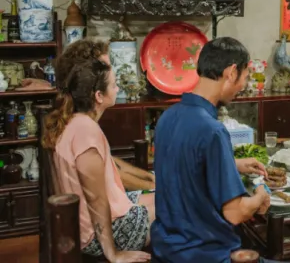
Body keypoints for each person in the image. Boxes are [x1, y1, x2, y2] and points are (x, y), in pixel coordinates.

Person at [151, 37, 275, 263]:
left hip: (167, 251)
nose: (243, 86)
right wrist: (260, 195)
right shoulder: (213, 130)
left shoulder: (167, 117)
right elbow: (235, 213)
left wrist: (232, 164)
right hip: (206, 255)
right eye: (245, 77)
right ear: (231, 72)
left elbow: (185, 166)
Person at [43, 59, 154, 262]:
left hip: (92, 221)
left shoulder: (76, 121)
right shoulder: (85, 131)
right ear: (99, 96)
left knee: (167, 196)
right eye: (114, 85)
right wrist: (113, 254)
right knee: (179, 206)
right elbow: (95, 199)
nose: (118, 88)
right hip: (94, 236)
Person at [55, 39, 156, 192]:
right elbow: (110, 178)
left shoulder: (79, 118)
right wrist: (154, 187)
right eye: (105, 67)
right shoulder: (83, 127)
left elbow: (111, 164)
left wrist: (147, 176)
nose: (110, 72)